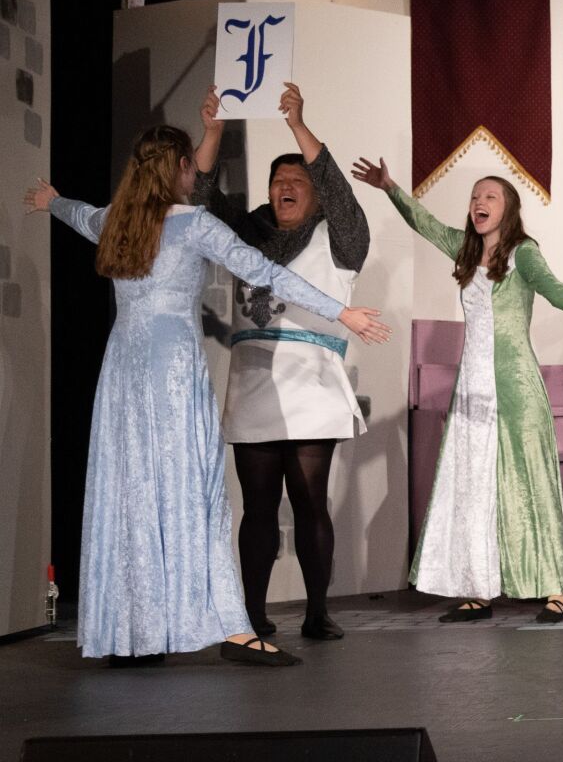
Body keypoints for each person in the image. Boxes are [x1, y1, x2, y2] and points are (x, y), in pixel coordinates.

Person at [26, 126, 388, 667]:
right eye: (190, 166)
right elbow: (265, 272)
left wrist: (52, 202)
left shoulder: (118, 219)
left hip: (122, 372)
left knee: (132, 494)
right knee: (189, 493)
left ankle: (136, 633)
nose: (195, 173)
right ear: (177, 167)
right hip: (171, 372)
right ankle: (234, 630)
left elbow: (80, 215)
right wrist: (342, 312)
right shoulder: (192, 224)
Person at [351, 157, 563, 625]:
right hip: (472, 388)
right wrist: (390, 187)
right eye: (475, 196)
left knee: (528, 483)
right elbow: (424, 223)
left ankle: (553, 588)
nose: (479, 202)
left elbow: (553, 287)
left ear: (509, 208)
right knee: (472, 483)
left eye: (490, 196)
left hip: (514, 384)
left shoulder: (523, 252)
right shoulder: (465, 250)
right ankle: (477, 588)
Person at [189, 82, 371, 640]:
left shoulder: (339, 237)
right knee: (258, 506)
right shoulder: (247, 234)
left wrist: (296, 124)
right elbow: (201, 198)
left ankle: (317, 611)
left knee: (311, 500)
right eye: (277, 181)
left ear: (315, 195)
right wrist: (212, 133)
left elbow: (340, 191)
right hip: (254, 382)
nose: (285, 187)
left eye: (297, 181)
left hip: (312, 385)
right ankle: (252, 612)